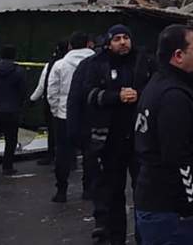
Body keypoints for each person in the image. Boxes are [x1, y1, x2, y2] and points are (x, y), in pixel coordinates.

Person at [134, 25, 193, 245]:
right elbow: (176, 156)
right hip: (169, 209)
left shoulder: (161, 84)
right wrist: (189, 202)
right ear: (178, 56)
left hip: (157, 202)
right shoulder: (173, 96)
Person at [80, 24, 155, 245]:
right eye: (117, 39)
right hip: (109, 141)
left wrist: (139, 95)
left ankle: (145, 237)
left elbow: (156, 89)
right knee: (112, 194)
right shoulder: (97, 64)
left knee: (144, 193)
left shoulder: (144, 61)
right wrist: (115, 96)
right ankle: (115, 238)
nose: (122, 42)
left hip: (140, 139)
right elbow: (88, 94)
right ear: (109, 42)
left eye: (125, 37)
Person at [47, 32, 95, 203]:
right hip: (90, 115)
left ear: (69, 46)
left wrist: (56, 109)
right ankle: (88, 189)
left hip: (64, 114)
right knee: (90, 154)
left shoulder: (60, 64)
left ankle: (61, 190)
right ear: (90, 43)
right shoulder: (97, 63)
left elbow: (52, 90)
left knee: (63, 153)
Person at [0, 45, 26, 175]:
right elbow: (22, 91)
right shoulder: (19, 71)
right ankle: (7, 166)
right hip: (12, 109)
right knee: (11, 140)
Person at [30, 40, 69, 166]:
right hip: (69, 104)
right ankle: (69, 159)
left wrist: (32, 99)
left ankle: (52, 156)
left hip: (52, 104)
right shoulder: (73, 63)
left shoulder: (52, 65)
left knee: (53, 132)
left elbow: (43, 85)